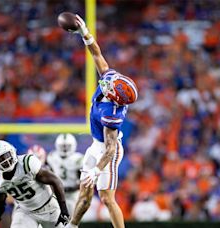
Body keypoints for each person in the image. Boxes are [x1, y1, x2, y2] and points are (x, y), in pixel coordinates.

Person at [64, 15, 138, 228]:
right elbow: (96, 54)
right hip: (96, 146)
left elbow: (111, 149)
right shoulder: (110, 80)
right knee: (84, 193)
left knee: (106, 197)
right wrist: (84, 32)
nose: (107, 83)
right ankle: (72, 226)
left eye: (111, 87)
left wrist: (97, 170)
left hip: (108, 152)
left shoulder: (111, 113)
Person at [0, 140, 70, 228]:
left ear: (12, 152)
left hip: (48, 207)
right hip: (25, 211)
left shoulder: (27, 163)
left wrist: (64, 209)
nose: (5, 161)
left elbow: (55, 181)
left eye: (6, 156)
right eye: (0, 160)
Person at [47, 133, 83, 216]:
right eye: (62, 146)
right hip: (57, 193)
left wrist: (75, 187)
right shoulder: (52, 156)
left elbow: (83, 180)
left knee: (72, 220)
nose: (65, 149)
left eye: (67, 146)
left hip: (73, 194)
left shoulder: (78, 159)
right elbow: (49, 176)